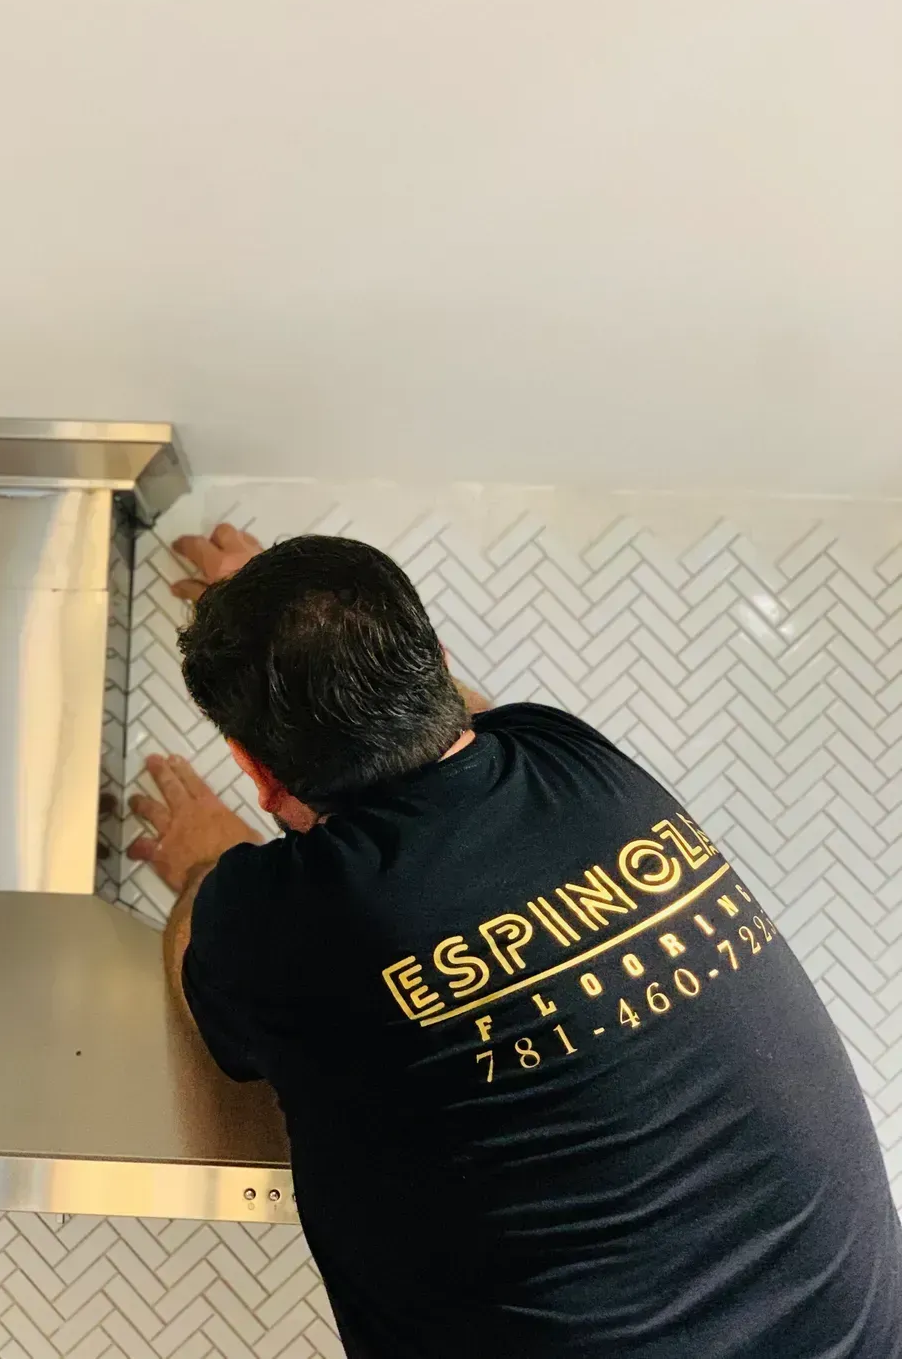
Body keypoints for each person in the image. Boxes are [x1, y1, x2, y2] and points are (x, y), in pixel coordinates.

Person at [127, 524, 902, 1359]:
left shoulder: (279, 914)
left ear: (256, 771)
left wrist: (207, 857)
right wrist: (310, 624)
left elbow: (203, 989)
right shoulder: (579, 761)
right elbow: (463, 719)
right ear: (435, 655)